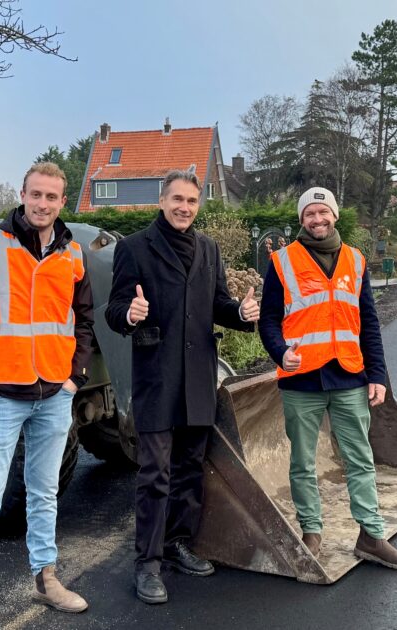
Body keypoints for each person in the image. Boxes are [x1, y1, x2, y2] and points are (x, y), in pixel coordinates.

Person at [0, 162, 95, 629]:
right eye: (36, 195)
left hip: (53, 393)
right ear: (23, 194)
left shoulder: (72, 253)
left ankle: (46, 579)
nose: (43, 204)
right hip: (0, 397)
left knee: (44, 493)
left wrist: (76, 378)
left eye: (52, 197)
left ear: (61, 201)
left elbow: (84, 321)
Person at [105, 169, 259, 604]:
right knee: (155, 473)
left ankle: (177, 543)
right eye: (177, 199)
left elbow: (219, 305)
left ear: (198, 204)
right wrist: (129, 313)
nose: (184, 208)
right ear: (162, 200)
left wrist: (241, 313)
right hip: (157, 376)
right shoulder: (133, 248)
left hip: (198, 375)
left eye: (191, 201)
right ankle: (147, 564)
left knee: (191, 468)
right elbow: (115, 310)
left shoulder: (208, 250)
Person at [257, 186, 397, 571]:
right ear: (301, 219)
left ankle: (371, 535)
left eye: (323, 212)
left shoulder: (356, 261)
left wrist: (377, 374)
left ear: (335, 216)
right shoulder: (281, 262)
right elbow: (268, 319)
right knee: (302, 462)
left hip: (348, 375)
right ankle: (311, 530)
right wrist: (281, 353)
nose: (317, 219)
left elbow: (369, 324)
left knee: (360, 459)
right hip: (301, 380)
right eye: (310, 214)